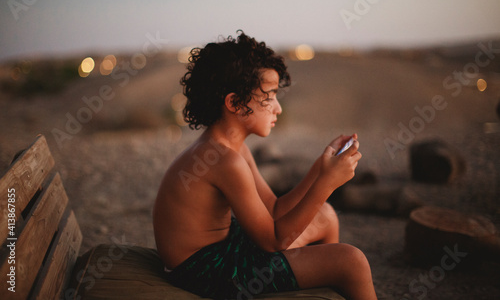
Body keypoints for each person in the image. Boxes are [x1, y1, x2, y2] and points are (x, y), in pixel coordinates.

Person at [153, 31, 377, 300]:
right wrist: (327, 183)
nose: (278, 108)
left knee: (326, 215)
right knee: (351, 261)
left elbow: (273, 209)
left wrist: (319, 169)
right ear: (235, 103)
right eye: (270, 96)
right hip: (205, 270)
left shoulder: (232, 149)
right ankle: (327, 275)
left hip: (223, 249)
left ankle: (319, 288)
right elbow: (273, 241)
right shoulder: (224, 160)